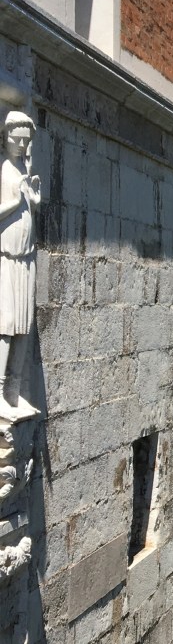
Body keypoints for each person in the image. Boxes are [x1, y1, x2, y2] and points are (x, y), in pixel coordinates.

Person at [0, 111, 41, 416]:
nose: (23, 145)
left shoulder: (23, 167)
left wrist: (33, 200)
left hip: (26, 256)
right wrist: (15, 200)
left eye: (27, 141)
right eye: (18, 139)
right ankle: (0, 389)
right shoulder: (3, 168)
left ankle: (14, 391)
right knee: (6, 322)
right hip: (7, 256)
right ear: (6, 136)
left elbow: (28, 210)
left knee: (24, 325)